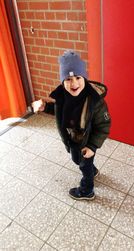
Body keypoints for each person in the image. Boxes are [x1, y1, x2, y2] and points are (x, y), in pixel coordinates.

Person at [32, 50, 111, 200]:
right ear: (62, 81)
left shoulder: (94, 100)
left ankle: (87, 190)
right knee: (76, 159)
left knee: (83, 165)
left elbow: (103, 125)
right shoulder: (63, 95)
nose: (74, 83)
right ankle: (92, 170)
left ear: (84, 78)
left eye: (77, 77)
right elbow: (60, 111)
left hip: (87, 142)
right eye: (68, 79)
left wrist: (93, 146)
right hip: (73, 139)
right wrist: (45, 107)